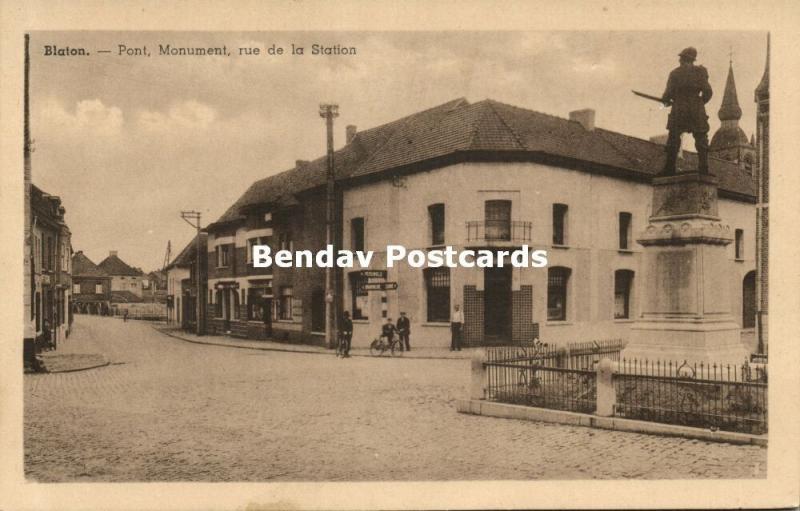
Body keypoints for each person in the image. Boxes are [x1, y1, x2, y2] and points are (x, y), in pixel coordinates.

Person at [660, 47, 713, 175]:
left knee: (673, 138)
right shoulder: (700, 72)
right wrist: (700, 103)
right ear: (693, 60)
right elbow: (708, 92)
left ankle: (669, 168)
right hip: (697, 109)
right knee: (701, 138)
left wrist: (666, 101)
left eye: (681, 58)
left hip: (679, 108)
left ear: (683, 59)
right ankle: (704, 168)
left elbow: (667, 95)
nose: (680, 60)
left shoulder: (675, 73)